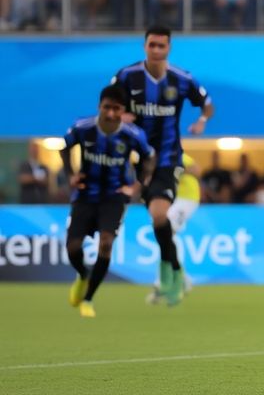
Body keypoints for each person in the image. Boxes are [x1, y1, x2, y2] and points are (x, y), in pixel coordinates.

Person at [110, 25, 214, 306]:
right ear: (144, 46)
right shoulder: (126, 76)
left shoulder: (181, 79)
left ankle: (173, 275)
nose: (156, 50)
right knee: (159, 223)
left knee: (159, 215)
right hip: (141, 161)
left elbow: (207, 103)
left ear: (169, 48)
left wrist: (202, 120)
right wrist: (120, 117)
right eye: (152, 45)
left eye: (161, 46)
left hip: (169, 158)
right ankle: (173, 270)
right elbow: (109, 107)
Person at [62, 85, 155, 318]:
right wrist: (70, 174)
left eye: (116, 108)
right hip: (85, 195)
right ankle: (83, 275)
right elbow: (64, 149)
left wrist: (138, 185)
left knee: (106, 244)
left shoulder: (132, 134)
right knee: (73, 248)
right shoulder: (82, 127)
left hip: (113, 197)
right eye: (107, 108)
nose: (111, 113)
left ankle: (89, 299)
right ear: (99, 107)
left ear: (123, 110)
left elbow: (149, 158)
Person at [147, 151, 200, 305]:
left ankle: (163, 282)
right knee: (166, 236)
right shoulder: (155, 158)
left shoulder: (178, 155)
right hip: (174, 200)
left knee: (166, 233)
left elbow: (197, 170)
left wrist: (177, 169)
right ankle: (182, 279)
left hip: (187, 199)